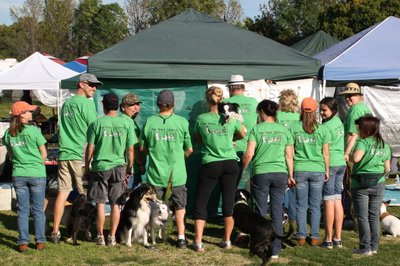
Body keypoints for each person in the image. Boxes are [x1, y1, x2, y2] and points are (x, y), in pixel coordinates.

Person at [192, 86, 246, 252]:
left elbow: (198, 138)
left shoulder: (201, 119)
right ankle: (227, 240)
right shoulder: (230, 118)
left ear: (207, 100)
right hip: (230, 163)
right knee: (228, 204)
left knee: (201, 203)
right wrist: (229, 138)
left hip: (211, 163)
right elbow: (243, 133)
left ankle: (198, 241)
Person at [51, 73, 102, 243]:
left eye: (96, 86)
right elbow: (96, 128)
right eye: (91, 85)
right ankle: (81, 232)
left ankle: (56, 231)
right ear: (81, 85)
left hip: (64, 153)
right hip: (78, 154)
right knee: (82, 195)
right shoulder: (86, 105)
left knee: (63, 192)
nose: (94, 88)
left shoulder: (66, 104)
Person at [242, 99, 294, 259]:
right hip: (280, 173)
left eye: (258, 113)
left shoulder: (256, 129)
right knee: (277, 211)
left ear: (262, 112)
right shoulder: (284, 130)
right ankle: (276, 249)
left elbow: (249, 154)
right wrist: (291, 175)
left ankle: (259, 244)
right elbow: (289, 155)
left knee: (260, 211)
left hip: (261, 172)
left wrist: (242, 169)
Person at [141, 90, 193, 248]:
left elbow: (142, 148)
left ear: (158, 104)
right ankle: (181, 238)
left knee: (154, 207)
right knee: (179, 206)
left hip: (155, 173)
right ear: (173, 104)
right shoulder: (182, 122)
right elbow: (189, 149)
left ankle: (152, 237)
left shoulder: (149, 121)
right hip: (177, 174)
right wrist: (178, 158)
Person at [86, 93, 136, 246]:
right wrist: (129, 166)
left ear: (104, 106)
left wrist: (88, 165)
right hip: (119, 166)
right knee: (116, 204)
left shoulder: (97, 124)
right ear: (118, 106)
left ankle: (100, 236)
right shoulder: (127, 124)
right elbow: (130, 149)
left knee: (100, 203)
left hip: (100, 166)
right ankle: (112, 237)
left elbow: (90, 147)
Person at [2, 101, 47, 252]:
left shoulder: (9, 133)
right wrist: (38, 164)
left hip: (19, 173)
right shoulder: (34, 131)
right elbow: (44, 153)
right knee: (38, 210)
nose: (31, 113)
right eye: (28, 111)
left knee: (22, 210)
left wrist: (18, 161)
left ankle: (23, 242)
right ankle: (40, 241)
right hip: (36, 174)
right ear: (21, 114)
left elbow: (9, 153)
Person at [291, 97, 330, 246]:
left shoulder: (294, 127)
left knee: (301, 205)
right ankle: (314, 236)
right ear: (316, 111)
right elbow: (326, 153)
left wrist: (291, 171)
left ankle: (301, 235)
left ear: (301, 110)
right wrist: (326, 170)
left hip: (300, 168)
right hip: (317, 169)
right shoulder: (322, 128)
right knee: (315, 205)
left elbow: (291, 150)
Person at [350, 116, 390, 256]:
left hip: (360, 184)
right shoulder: (384, 144)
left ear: (365, 128)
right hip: (378, 183)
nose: (358, 129)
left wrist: (349, 156)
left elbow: (356, 158)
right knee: (374, 215)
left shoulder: (363, 142)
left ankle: (365, 247)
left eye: (359, 127)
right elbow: (387, 168)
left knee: (362, 216)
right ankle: (374, 247)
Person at [319, 97, 346, 249]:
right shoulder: (339, 122)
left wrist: (325, 168)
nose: (321, 113)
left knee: (328, 200)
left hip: (332, 164)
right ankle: (338, 237)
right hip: (341, 162)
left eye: (324, 110)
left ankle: (328, 238)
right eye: (320, 110)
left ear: (333, 110)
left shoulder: (326, 127)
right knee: (337, 199)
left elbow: (325, 151)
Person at [225, 74, 258, 187]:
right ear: (243, 88)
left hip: (230, 151)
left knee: (230, 187)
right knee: (247, 187)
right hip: (250, 150)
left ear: (230, 88)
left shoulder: (224, 103)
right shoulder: (253, 102)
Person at [276, 89, 300, 226]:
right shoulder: (298, 117)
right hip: (296, 154)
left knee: (280, 188)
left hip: (281, 154)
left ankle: (281, 213)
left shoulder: (278, 116)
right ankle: (292, 216)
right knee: (293, 188)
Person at [339, 82, 371, 162]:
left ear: (358, 96)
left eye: (350, 96)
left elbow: (353, 135)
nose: (347, 98)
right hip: (366, 149)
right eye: (346, 96)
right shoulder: (364, 107)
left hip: (355, 151)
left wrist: (346, 153)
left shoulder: (355, 110)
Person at [120, 93, 146, 189]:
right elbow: (133, 148)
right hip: (130, 170)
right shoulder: (128, 122)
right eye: (131, 105)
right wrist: (141, 163)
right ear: (123, 107)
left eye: (137, 104)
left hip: (121, 169)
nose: (136, 108)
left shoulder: (120, 120)